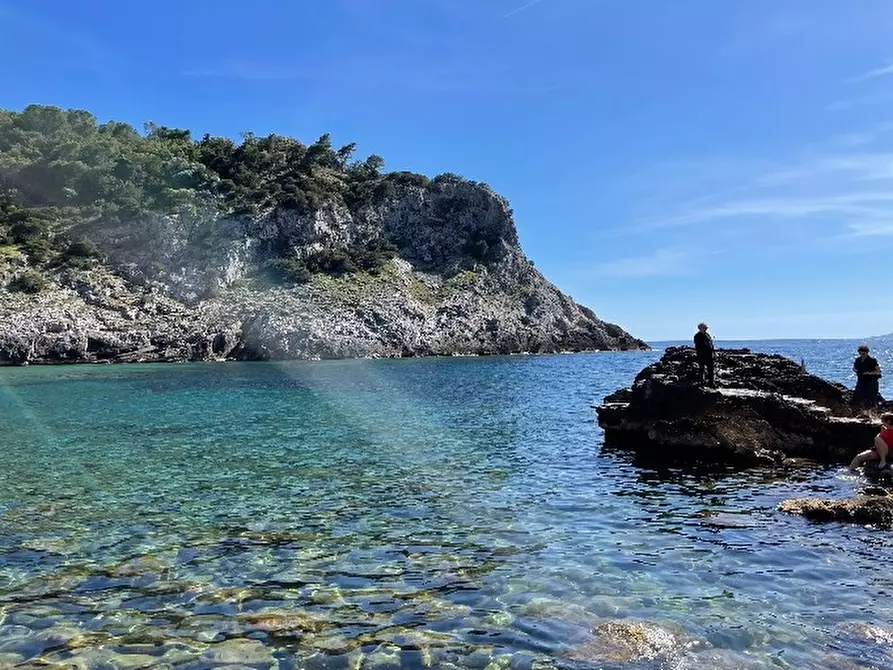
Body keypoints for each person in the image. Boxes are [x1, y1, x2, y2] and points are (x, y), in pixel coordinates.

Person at [853, 344, 882, 411]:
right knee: (858, 397)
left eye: (863, 353)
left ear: (867, 352)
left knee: (871, 399)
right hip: (861, 381)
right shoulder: (858, 360)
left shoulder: (872, 360)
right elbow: (854, 368)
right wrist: (856, 371)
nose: (862, 355)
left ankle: (871, 414)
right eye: (860, 353)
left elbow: (878, 371)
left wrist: (868, 373)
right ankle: (863, 413)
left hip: (871, 382)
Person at [693, 322, 715, 388]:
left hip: (710, 355)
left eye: (706, 328)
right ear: (700, 328)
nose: (706, 329)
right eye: (704, 328)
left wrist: (714, 353)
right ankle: (702, 384)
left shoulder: (708, 335)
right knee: (701, 370)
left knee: (711, 370)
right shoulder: (697, 336)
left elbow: (711, 344)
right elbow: (699, 345)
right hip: (701, 356)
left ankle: (711, 384)